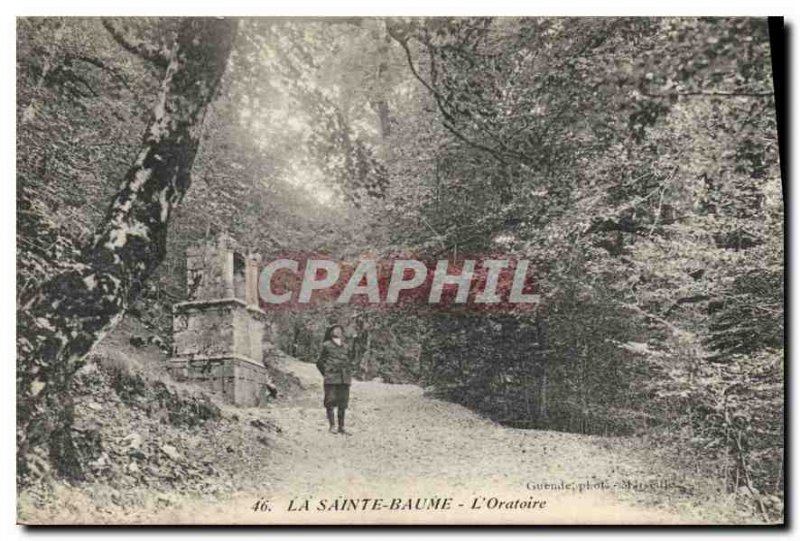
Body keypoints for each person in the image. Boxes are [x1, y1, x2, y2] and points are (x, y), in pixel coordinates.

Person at [316, 324, 354, 435]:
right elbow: (319, 362)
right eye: (335, 330)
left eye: (339, 330)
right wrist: (327, 373)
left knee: (343, 402)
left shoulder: (346, 346)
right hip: (331, 378)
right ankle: (332, 426)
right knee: (330, 401)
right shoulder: (326, 345)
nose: (337, 331)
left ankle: (341, 427)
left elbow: (350, 360)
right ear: (331, 332)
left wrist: (348, 372)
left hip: (344, 379)